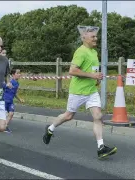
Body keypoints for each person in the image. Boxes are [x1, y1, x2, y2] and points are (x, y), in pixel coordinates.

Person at [42, 25, 117, 159]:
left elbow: (92, 69)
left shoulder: (94, 52)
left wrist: (96, 78)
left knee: (98, 116)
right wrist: (92, 75)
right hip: (78, 92)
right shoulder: (80, 52)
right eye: (93, 36)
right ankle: (50, 128)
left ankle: (101, 147)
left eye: (96, 36)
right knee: (69, 116)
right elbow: (72, 71)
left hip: (92, 91)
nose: (96, 38)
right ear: (84, 38)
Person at [3, 69, 24, 133]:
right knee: (1, 115)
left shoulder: (17, 83)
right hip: (4, 100)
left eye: (19, 73)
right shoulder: (9, 81)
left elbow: (15, 93)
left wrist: (19, 99)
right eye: (17, 73)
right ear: (13, 75)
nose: (19, 74)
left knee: (11, 113)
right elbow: (1, 87)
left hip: (10, 101)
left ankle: (5, 127)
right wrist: (6, 85)